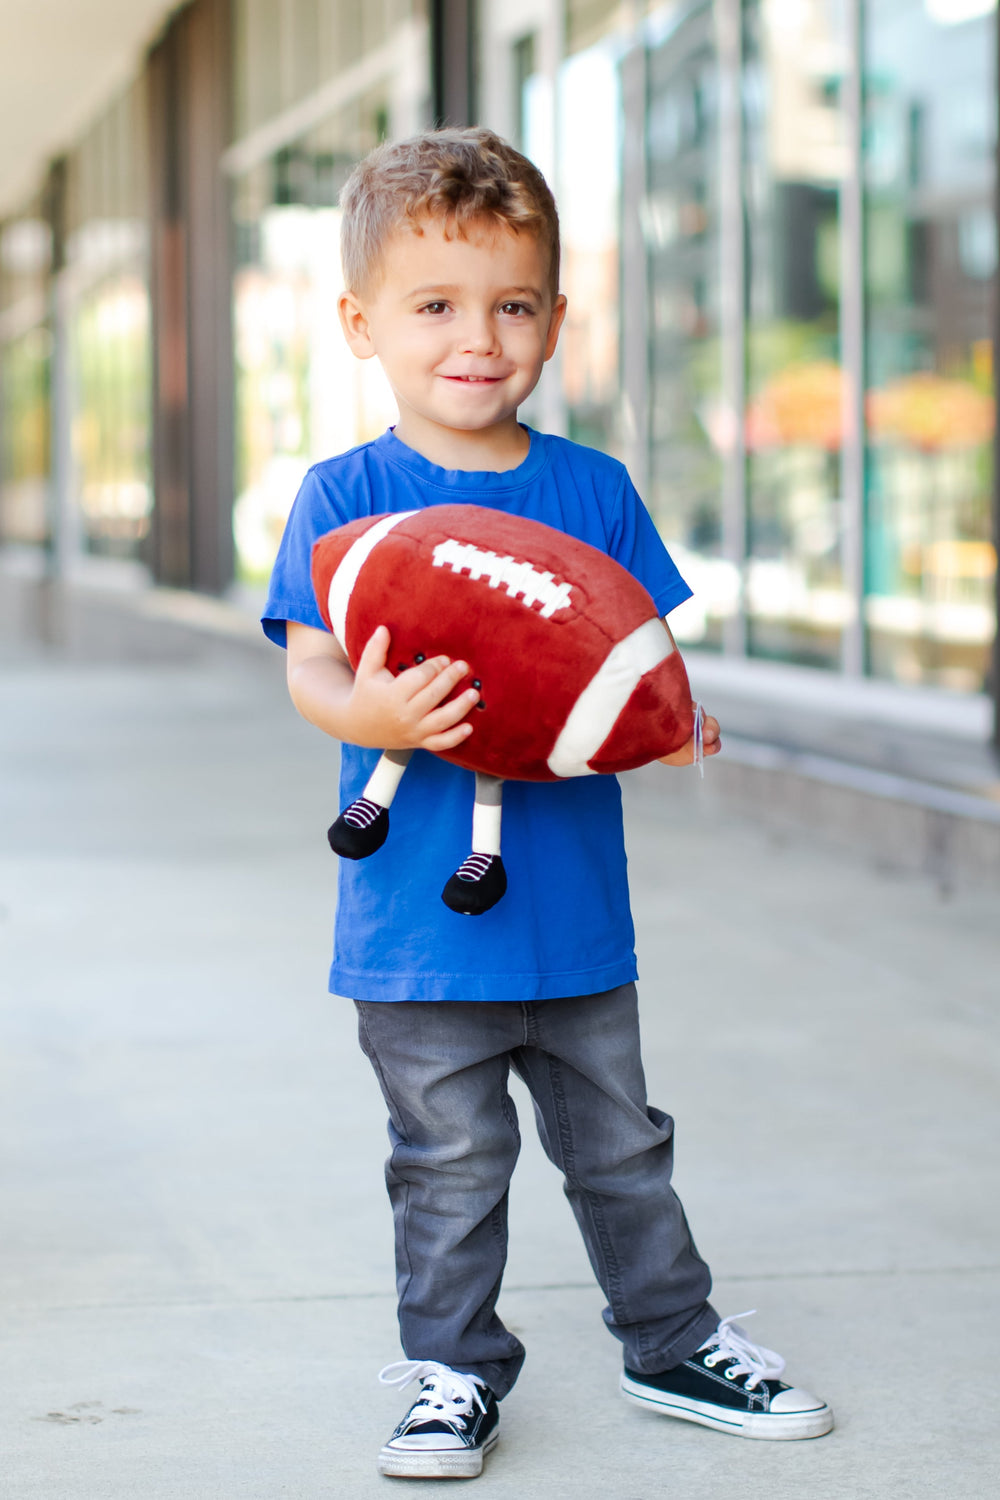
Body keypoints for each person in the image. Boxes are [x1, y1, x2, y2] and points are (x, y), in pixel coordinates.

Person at [262, 127, 833, 1480]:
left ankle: (671, 1340)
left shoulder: (592, 491)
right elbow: (311, 669)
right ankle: (451, 1372)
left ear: (557, 321)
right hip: (416, 928)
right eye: (436, 305)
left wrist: (678, 724)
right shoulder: (345, 499)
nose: (479, 338)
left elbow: (639, 663)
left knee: (623, 1147)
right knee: (448, 1164)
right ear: (361, 325)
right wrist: (370, 717)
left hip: (573, 920)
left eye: (513, 306)